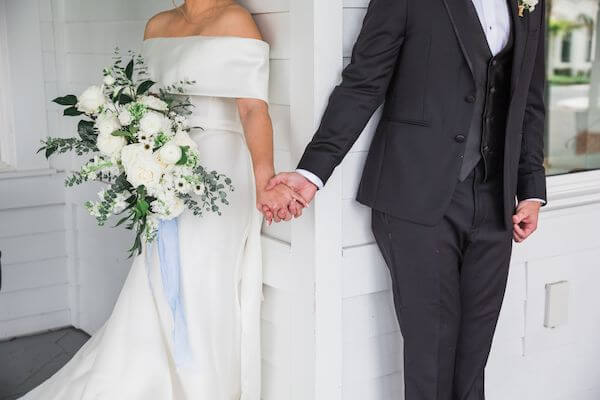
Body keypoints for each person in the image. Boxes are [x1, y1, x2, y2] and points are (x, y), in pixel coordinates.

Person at [21, 1, 303, 399]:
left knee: (205, 279)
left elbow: (253, 110)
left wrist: (264, 181)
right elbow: (149, 105)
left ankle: (205, 387)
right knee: (158, 272)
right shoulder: (158, 25)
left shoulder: (234, 19)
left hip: (220, 171)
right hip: (162, 165)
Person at [266, 0, 547, 398]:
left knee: (474, 355)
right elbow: (364, 82)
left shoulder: (530, 3)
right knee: (430, 352)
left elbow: (529, 99)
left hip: (496, 199)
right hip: (415, 193)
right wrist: (313, 172)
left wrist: (531, 188)